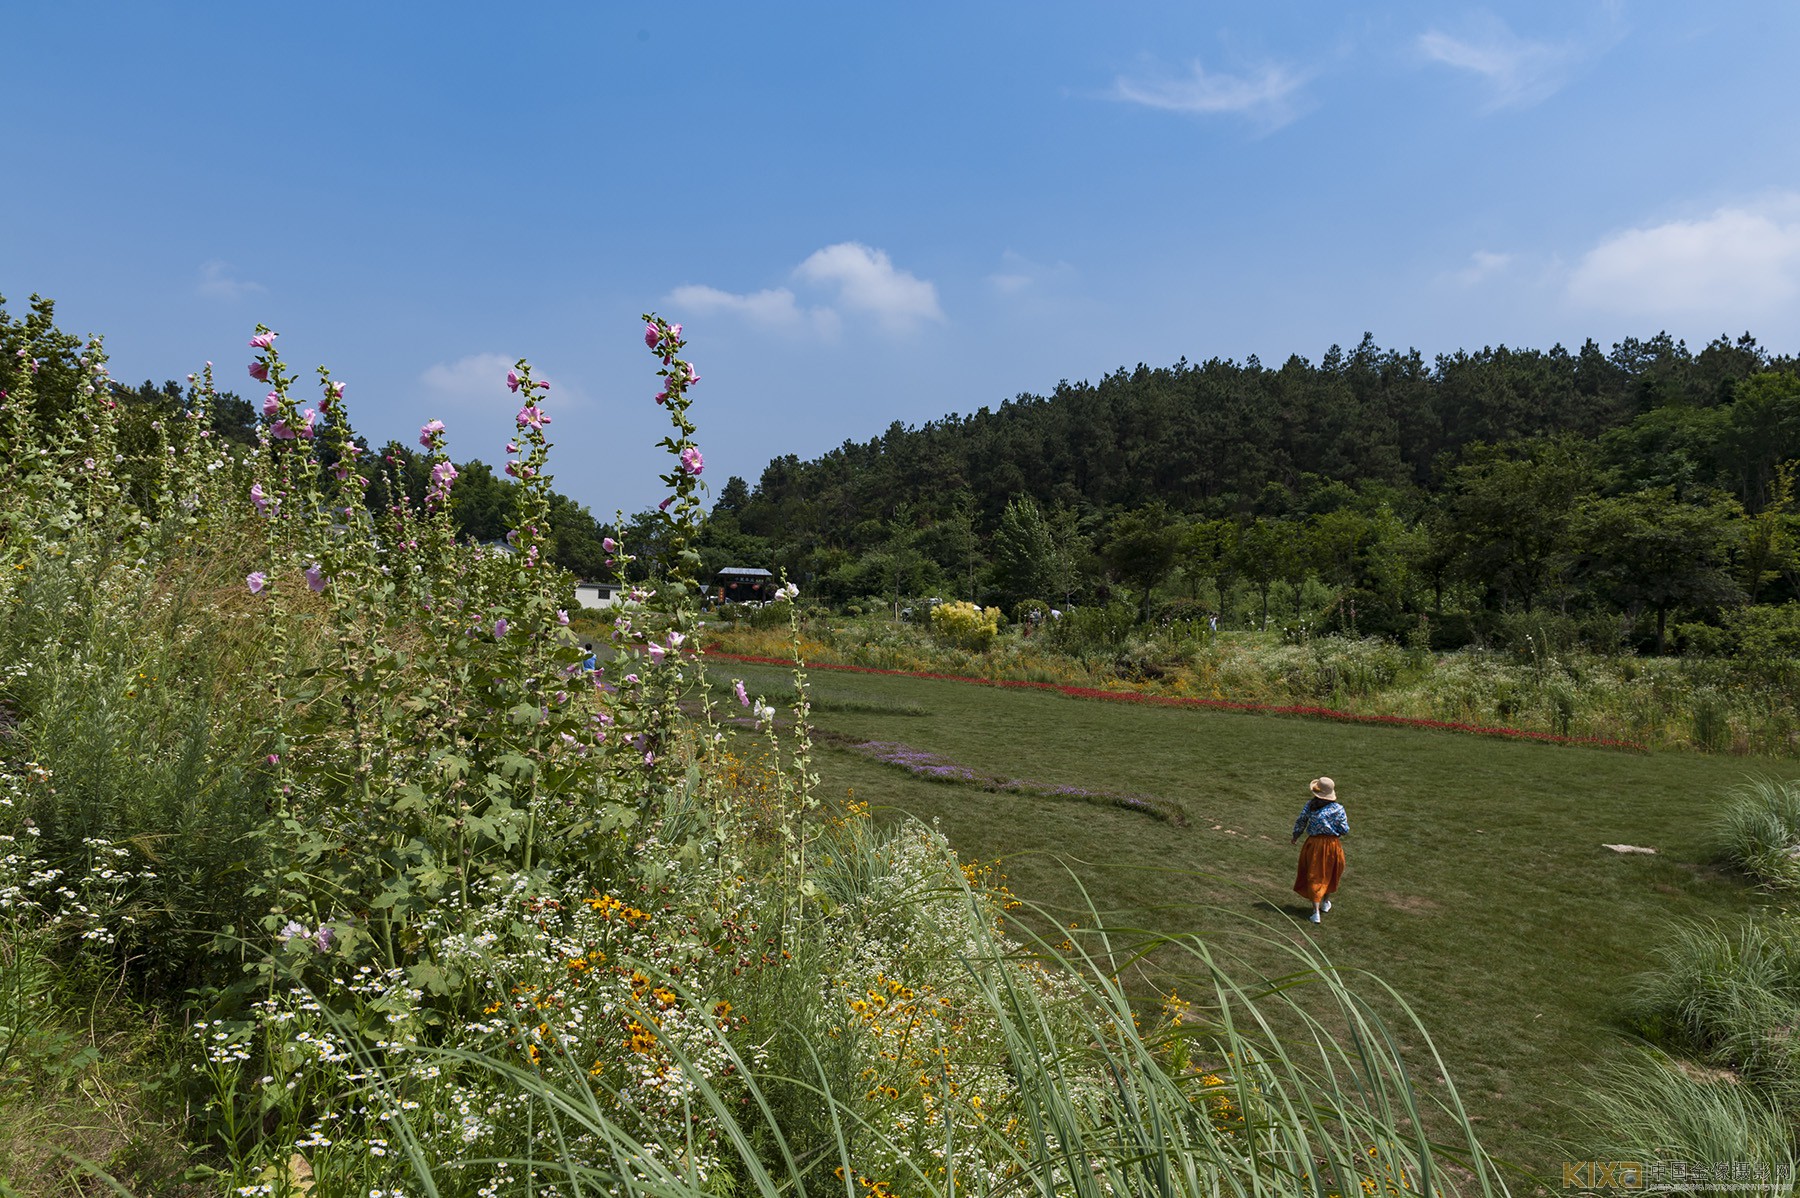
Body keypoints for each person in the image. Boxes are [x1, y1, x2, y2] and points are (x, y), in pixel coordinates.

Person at [1290, 776, 1348, 924]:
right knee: (1330, 873)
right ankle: (1325, 903)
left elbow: (1301, 821)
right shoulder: (1338, 809)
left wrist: (1296, 835)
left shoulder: (1310, 806)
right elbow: (1344, 829)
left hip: (1314, 845)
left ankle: (1316, 912)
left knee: (1314, 874)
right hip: (1332, 846)